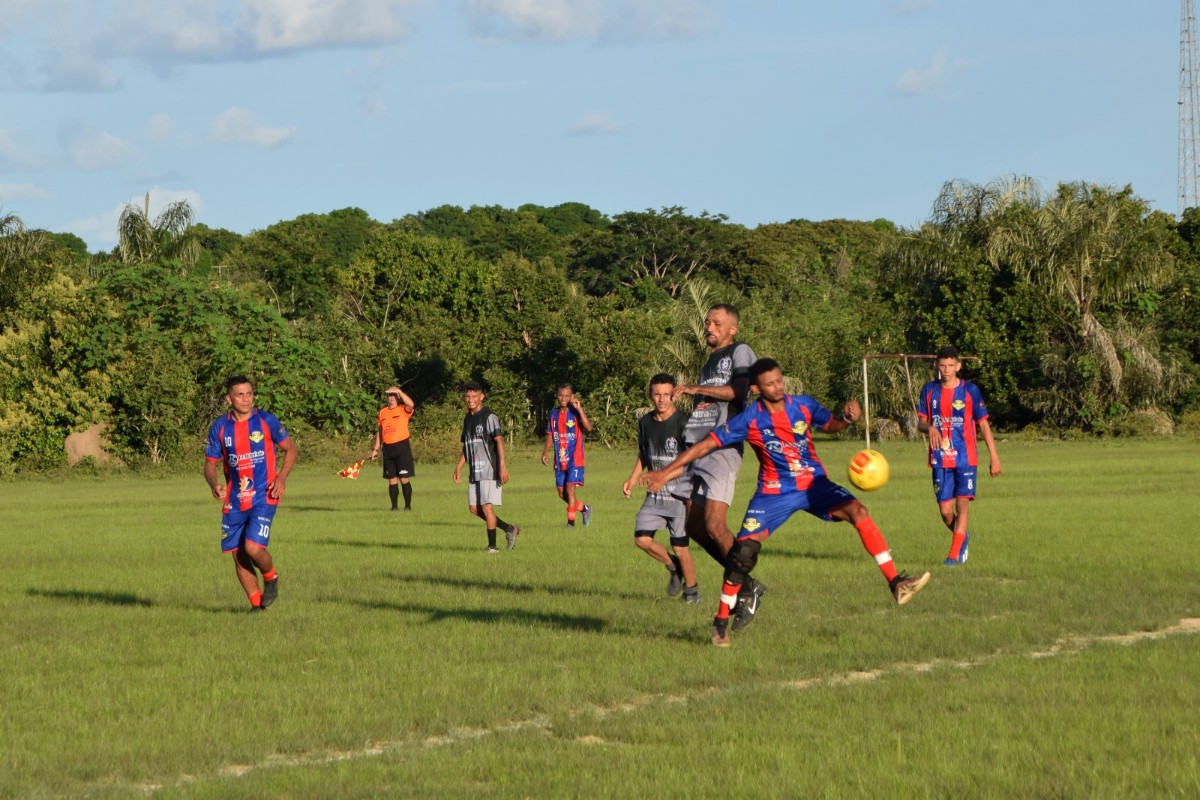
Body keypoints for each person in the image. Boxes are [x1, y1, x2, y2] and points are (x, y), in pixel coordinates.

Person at [645, 358, 931, 647]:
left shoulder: (803, 404)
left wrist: (845, 419)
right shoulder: (750, 419)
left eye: (780, 380)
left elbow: (829, 425)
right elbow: (705, 445)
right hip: (774, 492)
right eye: (770, 383)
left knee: (859, 511)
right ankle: (720, 622)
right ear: (756, 388)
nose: (778, 386)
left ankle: (896, 583)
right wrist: (666, 472)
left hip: (814, 484)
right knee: (742, 555)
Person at [672, 304, 761, 626]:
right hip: (698, 447)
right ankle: (745, 582)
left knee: (714, 524)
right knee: (694, 527)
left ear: (732, 329)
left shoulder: (740, 351)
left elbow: (738, 392)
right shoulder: (710, 360)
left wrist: (695, 388)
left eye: (716, 323)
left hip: (723, 446)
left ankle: (744, 588)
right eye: (707, 322)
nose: (709, 326)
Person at [203, 375, 298, 612]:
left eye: (249, 393)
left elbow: (291, 449)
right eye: (240, 394)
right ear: (228, 398)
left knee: (253, 548)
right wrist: (213, 484)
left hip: (264, 495)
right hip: (235, 499)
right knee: (238, 555)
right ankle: (257, 607)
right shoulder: (220, 427)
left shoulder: (266, 421)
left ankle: (271, 578)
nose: (246, 399)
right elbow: (209, 464)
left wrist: (281, 478)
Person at [916, 346, 1002, 567]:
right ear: (936, 366)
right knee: (946, 512)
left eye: (951, 365)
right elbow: (921, 422)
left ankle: (953, 555)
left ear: (958, 366)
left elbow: (983, 424)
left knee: (962, 505)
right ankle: (962, 535)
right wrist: (930, 428)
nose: (946, 370)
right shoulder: (929, 390)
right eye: (942, 365)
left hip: (966, 458)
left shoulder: (970, 391)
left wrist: (994, 457)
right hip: (940, 458)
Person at [622, 373, 700, 603]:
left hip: (680, 496)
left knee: (681, 547)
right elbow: (643, 454)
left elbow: (690, 462)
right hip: (655, 496)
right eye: (657, 394)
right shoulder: (645, 423)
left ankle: (692, 593)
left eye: (666, 394)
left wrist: (664, 476)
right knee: (641, 539)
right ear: (651, 395)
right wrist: (632, 478)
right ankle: (673, 567)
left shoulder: (683, 423)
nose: (662, 399)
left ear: (674, 395)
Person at [453, 381, 521, 553]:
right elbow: (467, 445)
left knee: (486, 506)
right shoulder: (467, 418)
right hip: (474, 471)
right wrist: (459, 467)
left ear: (482, 396)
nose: (471, 399)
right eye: (468, 396)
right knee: (474, 509)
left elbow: (499, 441)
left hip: (489, 469)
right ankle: (509, 529)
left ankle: (492, 547)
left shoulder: (489, 417)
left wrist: (503, 466)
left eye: (474, 396)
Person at [541, 383, 593, 528]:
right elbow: (551, 435)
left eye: (566, 396)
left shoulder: (575, 412)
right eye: (561, 395)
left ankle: (570, 524)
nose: (563, 398)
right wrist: (545, 452)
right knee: (561, 492)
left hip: (575, 458)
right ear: (557, 396)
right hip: (560, 458)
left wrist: (580, 409)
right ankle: (584, 509)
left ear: (572, 397)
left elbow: (588, 428)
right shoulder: (553, 414)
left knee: (570, 488)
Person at [369, 386, 417, 511]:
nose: (392, 397)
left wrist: (400, 391)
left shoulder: (403, 409)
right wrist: (376, 448)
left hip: (402, 447)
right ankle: (394, 507)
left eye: (394, 395)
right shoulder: (382, 412)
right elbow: (380, 431)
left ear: (398, 397)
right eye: (390, 395)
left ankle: (407, 506)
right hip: (388, 449)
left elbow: (411, 404)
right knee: (391, 479)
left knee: (404, 478)